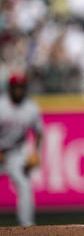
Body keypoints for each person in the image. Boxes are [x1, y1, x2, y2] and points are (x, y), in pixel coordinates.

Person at [0, 72, 43, 226]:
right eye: (16, 87)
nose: (19, 90)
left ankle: (27, 226)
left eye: (21, 86)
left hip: (15, 154)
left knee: (25, 186)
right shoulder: (1, 105)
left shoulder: (30, 107)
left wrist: (35, 153)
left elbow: (38, 132)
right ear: (10, 88)